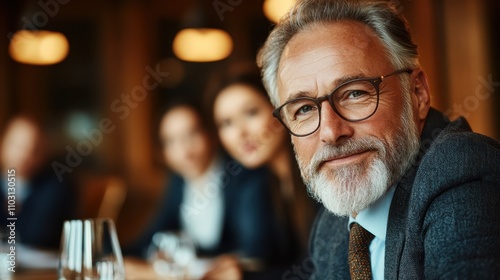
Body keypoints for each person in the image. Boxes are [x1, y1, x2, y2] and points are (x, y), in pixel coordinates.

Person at [257, 0, 500, 279]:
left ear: (417, 93)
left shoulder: (462, 172)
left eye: (355, 93)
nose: (331, 132)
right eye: (304, 109)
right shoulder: (331, 228)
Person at [123, 98, 276, 280]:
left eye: (192, 133)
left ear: (210, 134)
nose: (184, 149)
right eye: (171, 141)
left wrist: (172, 270)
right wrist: (112, 256)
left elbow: (255, 253)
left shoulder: (242, 175)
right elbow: (152, 235)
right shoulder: (178, 181)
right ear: (162, 151)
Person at [211, 69, 318, 278]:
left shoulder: (318, 174)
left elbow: (322, 269)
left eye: (251, 113)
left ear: (280, 109)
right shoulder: (267, 182)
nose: (240, 133)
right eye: (227, 123)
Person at [0, 116, 77, 251]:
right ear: (2, 145)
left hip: (40, 269)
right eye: (17, 146)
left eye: (34, 150)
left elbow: (38, 237)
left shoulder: (56, 187)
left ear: (44, 154)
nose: (24, 155)